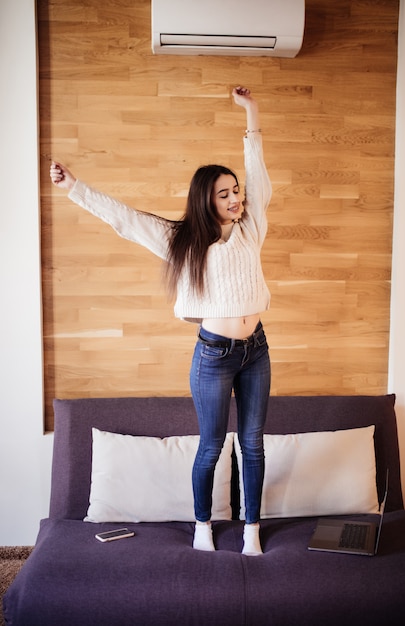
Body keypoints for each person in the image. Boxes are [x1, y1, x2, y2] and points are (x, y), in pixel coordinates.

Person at [50, 86, 272, 556]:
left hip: (256, 351)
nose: (236, 198)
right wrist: (74, 188)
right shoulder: (182, 239)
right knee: (211, 446)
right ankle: (202, 526)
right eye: (225, 193)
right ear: (205, 200)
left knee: (252, 444)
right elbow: (125, 220)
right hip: (214, 355)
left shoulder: (252, 228)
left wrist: (251, 113)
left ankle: (252, 529)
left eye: (237, 191)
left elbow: (260, 175)